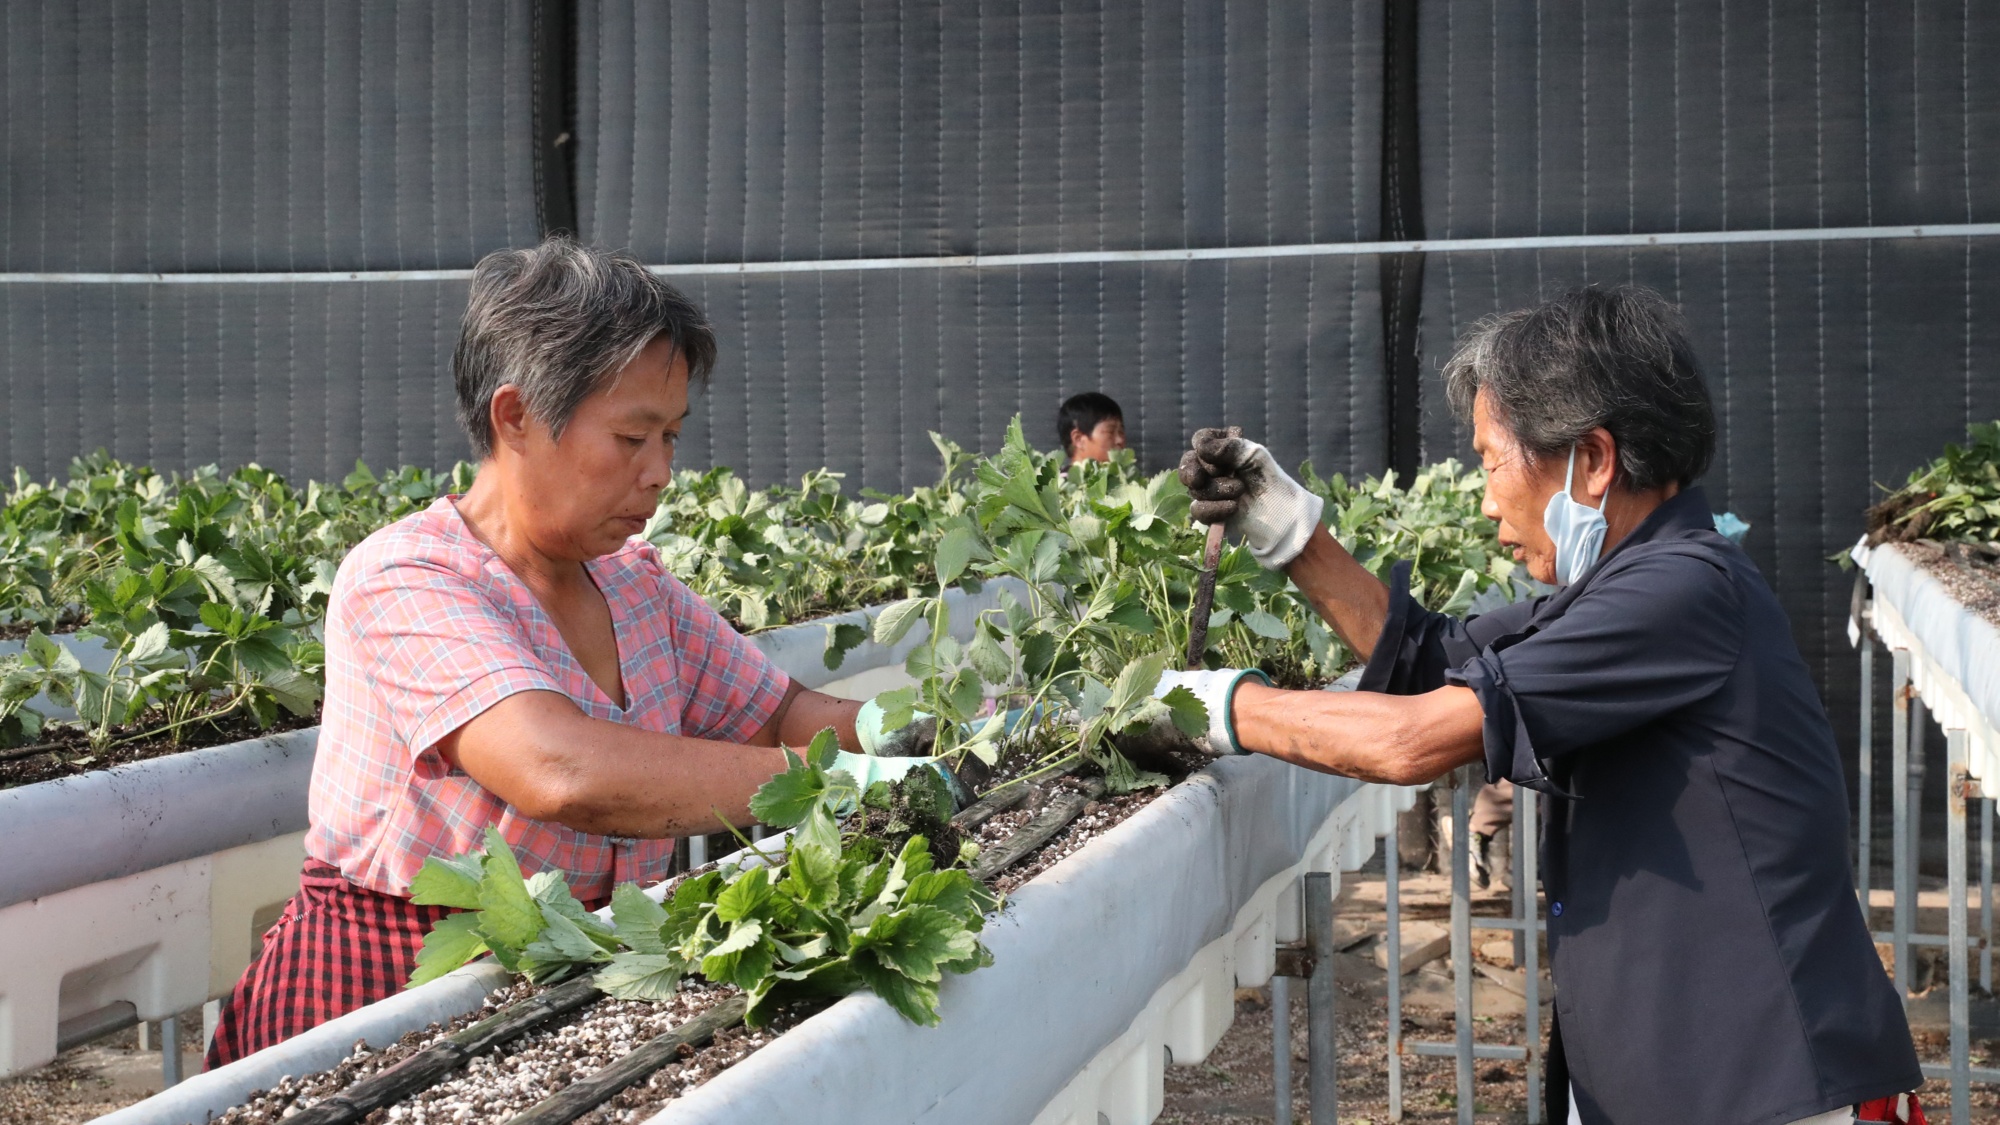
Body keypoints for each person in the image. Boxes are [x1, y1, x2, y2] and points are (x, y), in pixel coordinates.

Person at [1159, 287, 1920, 1125]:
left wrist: (1214, 708)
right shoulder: (1627, 582)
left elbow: (1414, 738)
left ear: (1592, 460)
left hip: (1760, 1085)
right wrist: (1288, 530)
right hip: (1675, 1074)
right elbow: (1431, 662)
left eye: (1491, 460)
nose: (1486, 501)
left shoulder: (1680, 591)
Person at [206, 240, 937, 1067]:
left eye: (670, 436)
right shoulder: (408, 578)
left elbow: (784, 713)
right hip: (379, 1003)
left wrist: (926, 732)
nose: (660, 472)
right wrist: (848, 784)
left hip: (559, 985)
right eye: (632, 437)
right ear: (515, 417)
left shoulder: (634, 589)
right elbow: (559, 770)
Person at [1056, 391, 1127, 464]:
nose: (1120, 440)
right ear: (1078, 439)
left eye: (1121, 432)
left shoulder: (1125, 475)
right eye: (1110, 432)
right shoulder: (1058, 476)